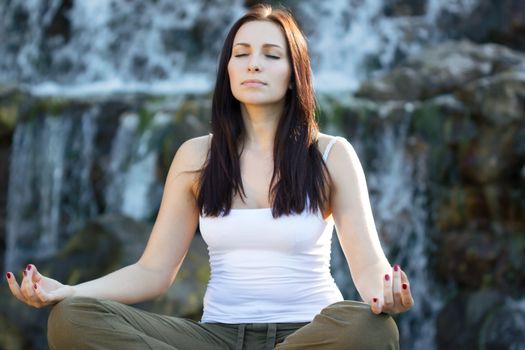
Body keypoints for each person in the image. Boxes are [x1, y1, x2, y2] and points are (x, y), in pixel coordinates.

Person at [6, 3, 413, 349]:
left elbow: (368, 269)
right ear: (228, 69)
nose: (254, 62)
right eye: (242, 53)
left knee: (371, 328)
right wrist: (70, 291)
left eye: (272, 55)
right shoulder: (196, 156)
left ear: (294, 74)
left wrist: (388, 294)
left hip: (309, 334)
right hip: (215, 337)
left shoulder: (329, 154)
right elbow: (153, 272)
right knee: (71, 319)